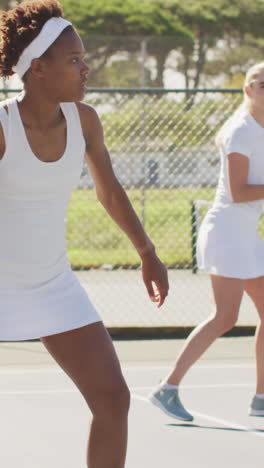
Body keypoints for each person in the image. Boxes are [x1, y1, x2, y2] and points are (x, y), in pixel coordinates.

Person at [0, 1, 169, 467]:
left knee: (113, 400)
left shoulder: (85, 120)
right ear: (38, 68)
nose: (85, 68)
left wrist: (146, 250)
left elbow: (108, 191)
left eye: (83, 58)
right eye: (74, 60)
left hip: (53, 287)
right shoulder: (2, 126)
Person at [149, 62, 264, 422]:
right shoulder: (241, 132)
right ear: (248, 91)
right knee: (224, 318)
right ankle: (167, 388)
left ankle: (261, 397)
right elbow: (239, 191)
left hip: (245, 233)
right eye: (262, 83)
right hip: (228, 232)